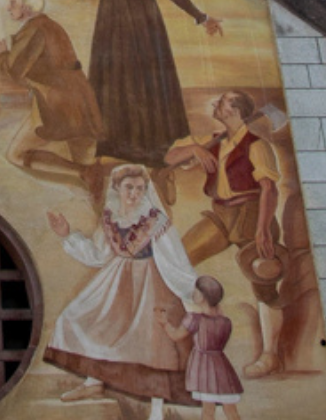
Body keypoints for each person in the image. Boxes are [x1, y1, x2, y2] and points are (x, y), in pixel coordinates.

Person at [71, 0, 223, 165]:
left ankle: (155, 145)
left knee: (147, 79)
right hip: (111, 23)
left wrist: (200, 16)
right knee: (112, 80)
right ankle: (114, 144)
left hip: (145, 24)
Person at [44, 164, 198, 418]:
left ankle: (156, 407)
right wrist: (67, 235)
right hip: (116, 280)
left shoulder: (156, 221)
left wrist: (192, 291)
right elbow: (99, 255)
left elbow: (175, 259)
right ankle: (93, 382)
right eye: (129, 188)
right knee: (84, 318)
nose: (134, 194)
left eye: (140, 189)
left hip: (151, 283)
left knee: (154, 344)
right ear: (116, 189)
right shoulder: (110, 219)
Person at [167, 91, 287, 378]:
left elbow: (269, 189)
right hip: (221, 214)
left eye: (223, 102)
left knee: (264, 278)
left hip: (251, 213)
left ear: (235, 110)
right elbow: (170, 158)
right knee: (176, 262)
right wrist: (195, 149)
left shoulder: (257, 146)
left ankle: (270, 355)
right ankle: (179, 343)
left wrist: (262, 230)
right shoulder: (216, 142)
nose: (216, 104)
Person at [0, 0, 101, 182]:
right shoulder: (50, 25)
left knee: (17, 155)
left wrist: (0, 55)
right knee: (86, 156)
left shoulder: (35, 29)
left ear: (27, 9)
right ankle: (88, 173)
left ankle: (83, 173)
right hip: (81, 99)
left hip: (57, 101)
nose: (8, 7)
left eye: (13, 3)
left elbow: (15, 72)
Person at [158, 275, 245, 420]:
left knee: (208, 411)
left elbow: (176, 335)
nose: (193, 294)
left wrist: (164, 323)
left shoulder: (194, 319)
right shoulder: (225, 322)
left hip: (204, 368)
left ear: (203, 297)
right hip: (222, 368)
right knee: (231, 411)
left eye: (196, 291)